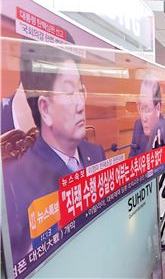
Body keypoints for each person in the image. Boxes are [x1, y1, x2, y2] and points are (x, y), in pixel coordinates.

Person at [3, 41, 106, 261]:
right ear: (45, 109)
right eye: (69, 92)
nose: (80, 104)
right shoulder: (15, 179)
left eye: (81, 90)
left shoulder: (96, 154)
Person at [129, 75, 165, 157]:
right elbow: (131, 157)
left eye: (147, 110)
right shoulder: (138, 125)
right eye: (141, 109)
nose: (143, 118)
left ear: (158, 108)